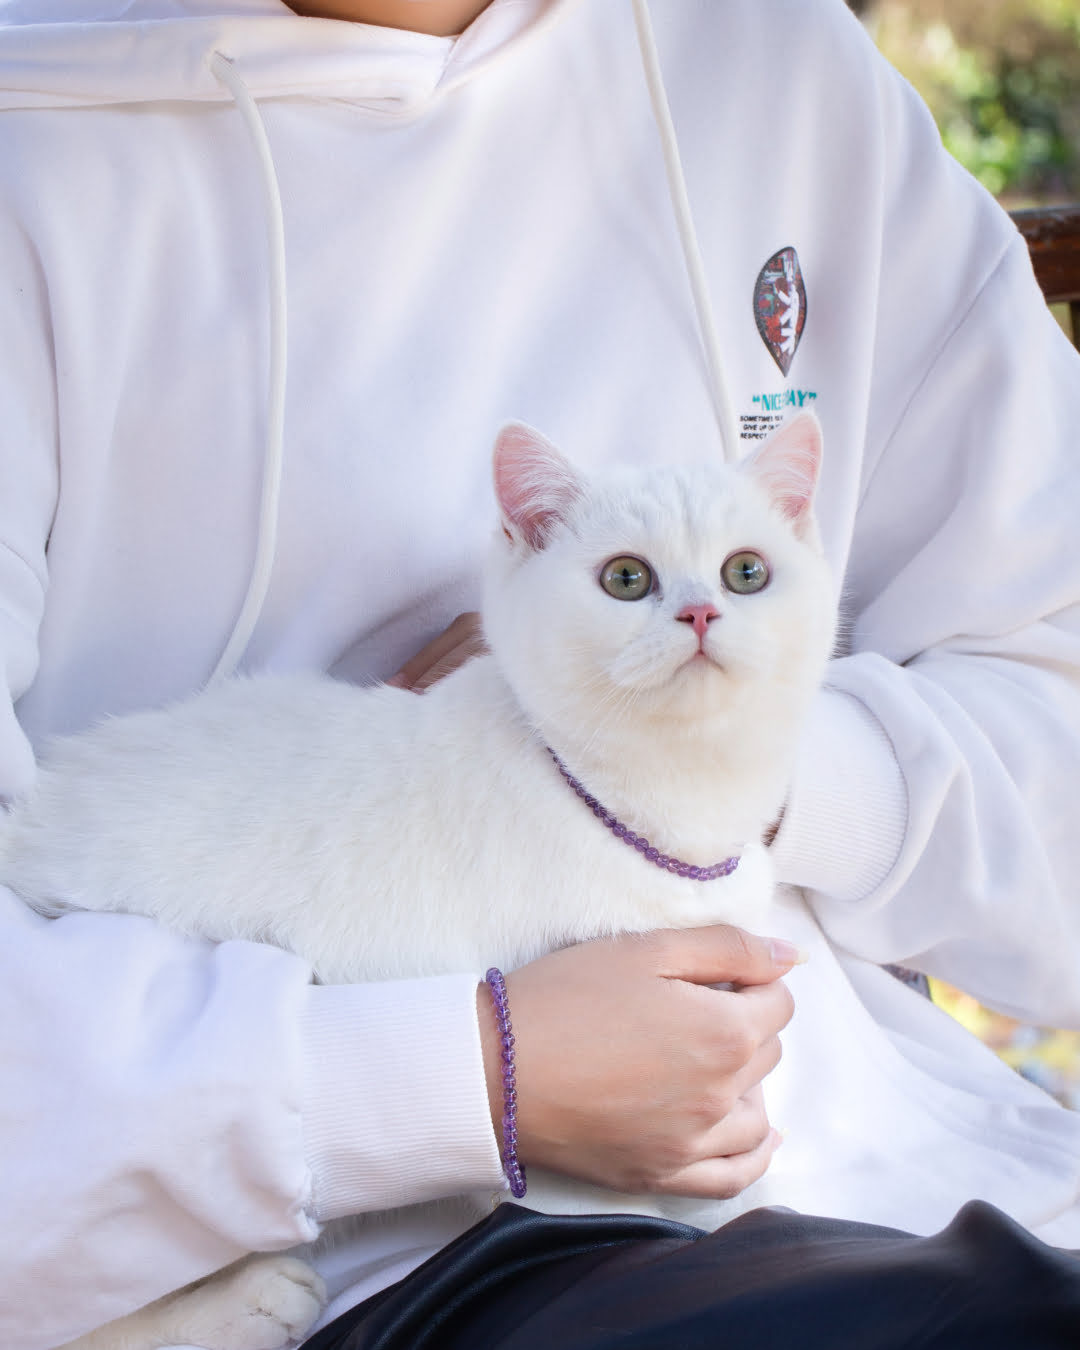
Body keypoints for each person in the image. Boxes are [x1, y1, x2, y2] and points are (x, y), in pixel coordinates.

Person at [2, 0, 1080, 1346]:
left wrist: (732, 761)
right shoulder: (37, 145)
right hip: (380, 1249)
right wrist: (467, 1071)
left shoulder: (779, 73)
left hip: (925, 1170)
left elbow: (1053, 692)